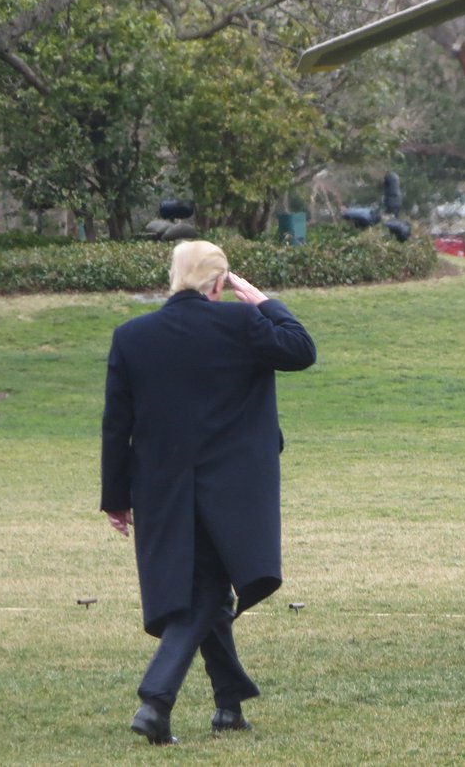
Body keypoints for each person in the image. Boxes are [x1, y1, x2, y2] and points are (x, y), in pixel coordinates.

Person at [100, 240, 316, 744]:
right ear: (220, 284)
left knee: (207, 589)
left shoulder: (132, 336)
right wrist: (262, 301)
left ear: (173, 278)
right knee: (206, 593)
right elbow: (301, 350)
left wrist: (115, 496)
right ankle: (156, 699)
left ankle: (229, 703)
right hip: (234, 491)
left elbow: (117, 424)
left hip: (161, 489)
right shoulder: (243, 325)